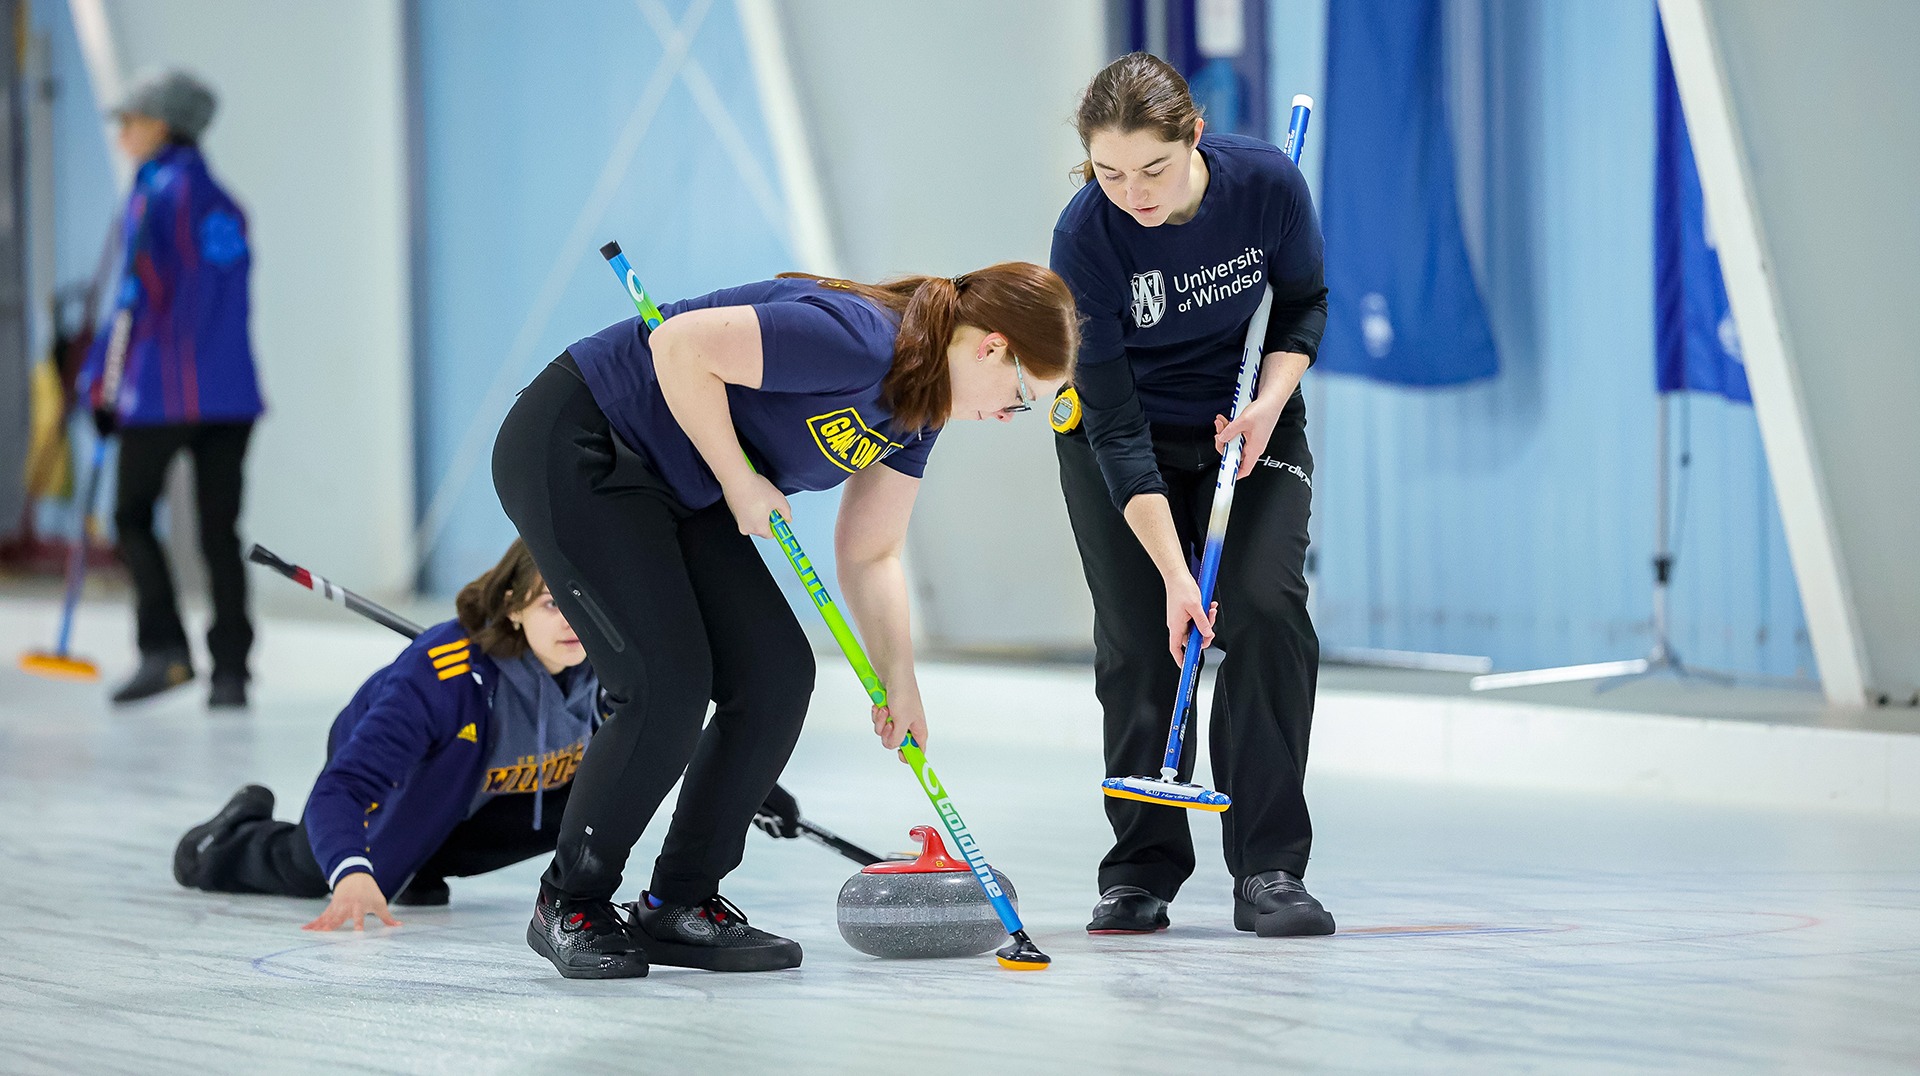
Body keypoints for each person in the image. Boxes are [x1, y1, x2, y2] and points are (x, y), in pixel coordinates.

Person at [493, 264, 1078, 978]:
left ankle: (679, 902)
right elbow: (679, 346)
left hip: (681, 480)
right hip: (586, 441)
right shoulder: (861, 339)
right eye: (1020, 399)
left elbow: (871, 551)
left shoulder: (921, 411)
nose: (1007, 416)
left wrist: (899, 678)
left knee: (774, 676)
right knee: (664, 684)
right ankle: (570, 901)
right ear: (992, 347)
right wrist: (740, 482)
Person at [1050, 53, 1334, 939]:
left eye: (1153, 168)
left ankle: (1271, 868)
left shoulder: (1268, 189)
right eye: (1108, 171)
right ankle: (1141, 867)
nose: (1132, 190)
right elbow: (1115, 430)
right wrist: (1177, 573)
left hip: (1249, 422)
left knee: (1262, 605)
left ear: (1194, 138)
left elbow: (1301, 308)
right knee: (1142, 638)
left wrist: (1267, 405)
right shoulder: (1085, 240)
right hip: (1120, 434)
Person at [171, 540, 598, 930]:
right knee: (312, 869)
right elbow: (342, 788)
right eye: (550, 604)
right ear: (512, 607)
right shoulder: (441, 676)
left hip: (477, 794)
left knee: (596, 802)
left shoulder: (612, 664)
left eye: (581, 602)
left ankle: (420, 860)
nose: (571, 620)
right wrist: (351, 871)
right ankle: (220, 845)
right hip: (402, 778)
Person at [75, 70, 265, 709]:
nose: (124, 133)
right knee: (219, 533)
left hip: (161, 393)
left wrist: (101, 386)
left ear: (161, 125)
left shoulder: (154, 194)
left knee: (130, 515)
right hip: (232, 395)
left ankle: (166, 651)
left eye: (130, 121)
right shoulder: (226, 203)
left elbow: (134, 302)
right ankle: (232, 671)